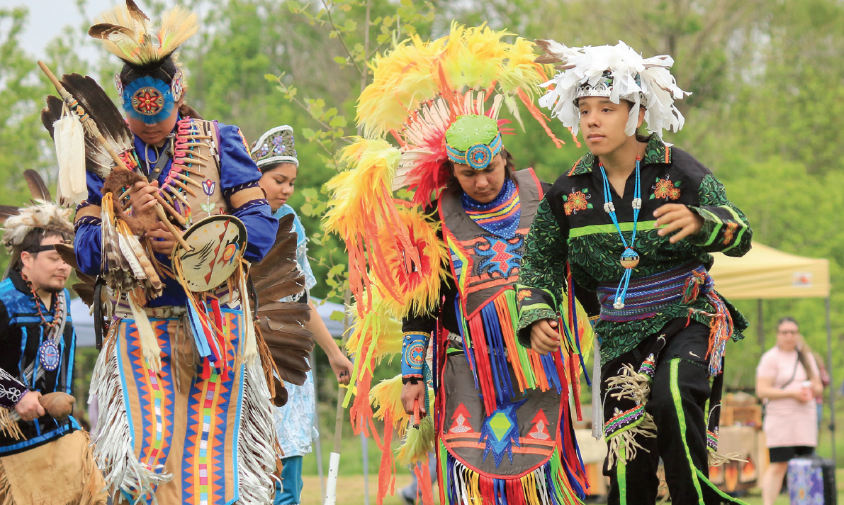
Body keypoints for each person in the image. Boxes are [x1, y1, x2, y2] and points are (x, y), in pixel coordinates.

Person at [325, 25, 593, 504]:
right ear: (451, 171)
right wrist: (412, 379)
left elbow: (575, 269)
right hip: (466, 363)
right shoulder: (435, 217)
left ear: (504, 159)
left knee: (535, 464)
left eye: (490, 169)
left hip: (536, 360)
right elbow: (420, 307)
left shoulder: (542, 197)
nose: (482, 181)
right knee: (479, 465)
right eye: (468, 174)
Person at [518, 41, 753, 505]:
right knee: (629, 453)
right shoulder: (568, 192)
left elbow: (741, 231)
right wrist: (538, 313)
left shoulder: (678, 169)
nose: (592, 120)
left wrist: (702, 222)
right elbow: (539, 261)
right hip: (618, 333)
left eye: (606, 108)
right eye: (584, 109)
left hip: (686, 315)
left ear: (637, 114)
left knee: (671, 397)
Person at [73, 2, 280, 503]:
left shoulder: (218, 141)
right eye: (138, 116)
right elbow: (82, 250)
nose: (150, 126)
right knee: (147, 454)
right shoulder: (104, 156)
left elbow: (260, 226)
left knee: (209, 456)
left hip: (216, 321)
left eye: (161, 113)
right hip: (140, 323)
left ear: (177, 94)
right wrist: (129, 236)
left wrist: (192, 236)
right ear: (123, 105)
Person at [252, 125, 354, 505]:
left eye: (291, 182)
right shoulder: (226, 219)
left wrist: (333, 352)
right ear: (254, 175)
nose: (287, 190)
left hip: (286, 359)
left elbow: (301, 299)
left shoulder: (290, 219)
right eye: (279, 180)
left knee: (286, 485)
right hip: (240, 357)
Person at [0, 176, 107, 504]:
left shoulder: (61, 303)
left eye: (67, 255)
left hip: (63, 437)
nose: (64, 265)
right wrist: (16, 395)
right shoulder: (4, 301)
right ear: (26, 259)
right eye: (54, 257)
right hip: (10, 449)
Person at [756, 317, 822, 505]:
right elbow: (762, 390)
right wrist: (791, 393)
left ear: (798, 334)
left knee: (806, 463)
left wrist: (809, 389)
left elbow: (818, 386)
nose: (789, 336)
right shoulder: (770, 358)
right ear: (778, 335)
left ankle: (806, 501)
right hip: (780, 419)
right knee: (779, 465)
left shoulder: (807, 357)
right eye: (785, 332)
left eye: (793, 332)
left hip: (805, 418)